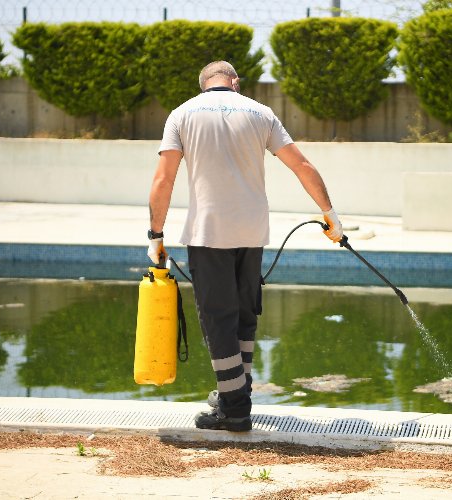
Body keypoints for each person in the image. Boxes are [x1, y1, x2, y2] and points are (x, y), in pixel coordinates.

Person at [147, 60, 343, 432]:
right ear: (234, 81)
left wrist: (155, 235)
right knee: (243, 314)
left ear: (203, 84)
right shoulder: (260, 112)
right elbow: (301, 164)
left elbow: (163, 179)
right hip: (253, 231)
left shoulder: (182, 114)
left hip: (209, 233)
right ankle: (236, 391)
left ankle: (235, 409)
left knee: (217, 318)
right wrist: (330, 213)